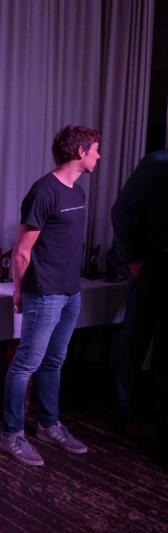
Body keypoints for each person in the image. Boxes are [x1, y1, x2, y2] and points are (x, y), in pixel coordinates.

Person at [0, 125, 101, 466]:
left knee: (54, 361)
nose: (99, 156)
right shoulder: (43, 192)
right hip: (44, 294)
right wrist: (19, 292)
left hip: (71, 293)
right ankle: (11, 434)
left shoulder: (78, 193)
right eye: (95, 149)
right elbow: (21, 253)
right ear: (81, 152)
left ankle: (48, 425)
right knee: (25, 364)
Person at [111, 148, 168, 457]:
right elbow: (121, 210)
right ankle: (123, 412)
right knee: (134, 340)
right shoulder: (159, 162)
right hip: (153, 267)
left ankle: (157, 421)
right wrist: (132, 258)